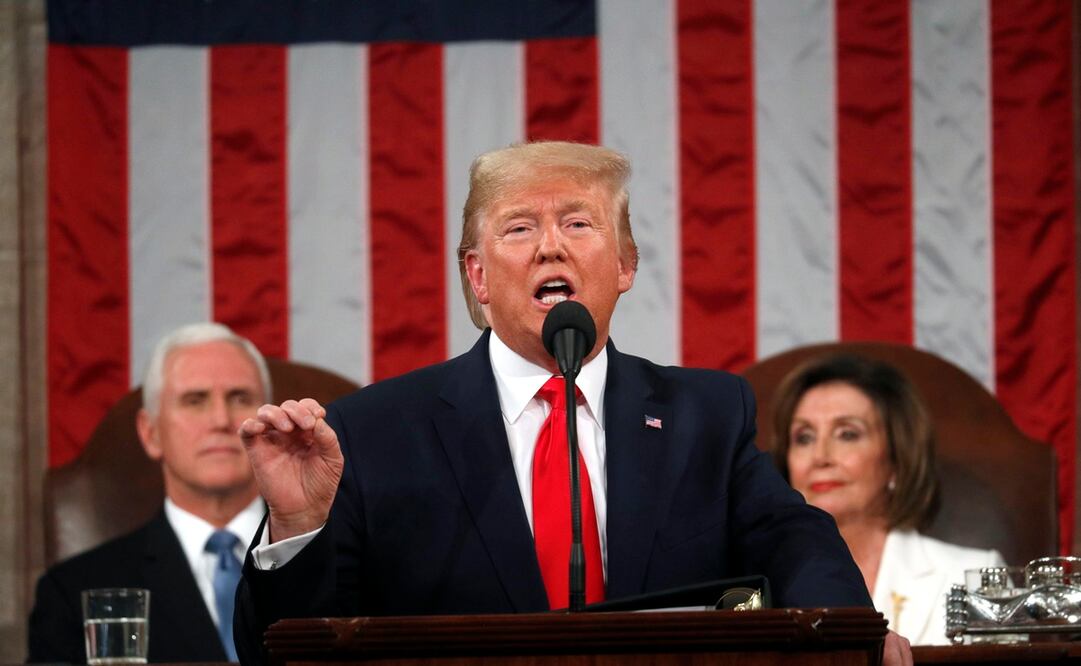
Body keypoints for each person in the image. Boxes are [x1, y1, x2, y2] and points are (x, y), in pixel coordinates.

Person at [237, 142, 911, 666]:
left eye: (578, 222)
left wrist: (848, 637)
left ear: (624, 265)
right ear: (477, 277)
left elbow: (797, 543)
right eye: (520, 228)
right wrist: (298, 527)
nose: (550, 245)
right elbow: (283, 653)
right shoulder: (375, 431)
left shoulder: (705, 416)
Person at [28, 322, 270, 663]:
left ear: (270, 423)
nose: (220, 419)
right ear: (150, 432)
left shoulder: (343, 566)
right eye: (194, 400)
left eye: (240, 397)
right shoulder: (74, 592)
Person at [770, 353, 1005, 645]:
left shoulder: (969, 576)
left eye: (847, 434)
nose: (820, 457)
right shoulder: (758, 585)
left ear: (896, 459)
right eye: (804, 438)